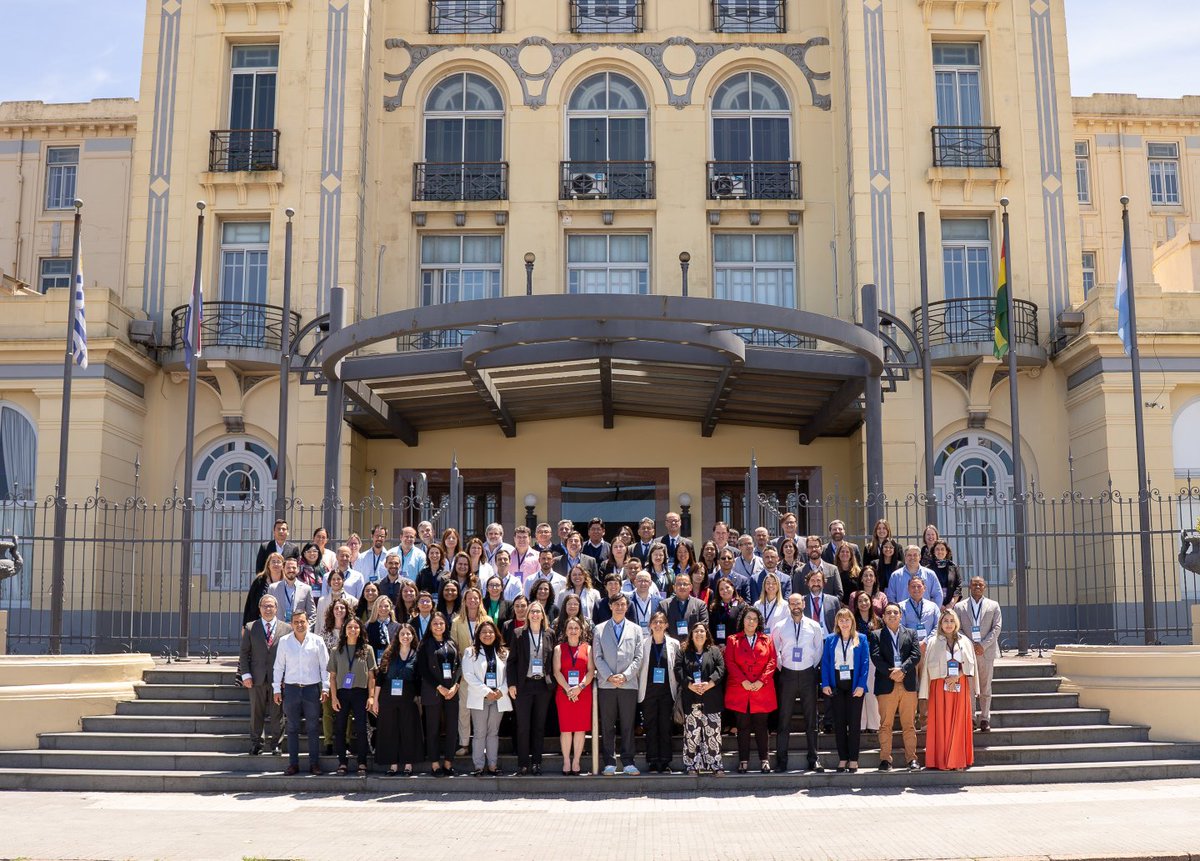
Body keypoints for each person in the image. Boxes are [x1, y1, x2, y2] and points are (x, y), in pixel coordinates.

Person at [272, 610, 330, 775]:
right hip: (291, 689)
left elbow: (324, 667)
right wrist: (276, 688)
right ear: (291, 624)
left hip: (312, 689)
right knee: (292, 727)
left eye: (302, 621)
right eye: (296, 622)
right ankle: (293, 764)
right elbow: (279, 666)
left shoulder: (317, 641)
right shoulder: (284, 641)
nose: (299, 625)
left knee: (313, 727)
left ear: (308, 622)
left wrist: (325, 688)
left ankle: (314, 764)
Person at [771, 593, 824, 772]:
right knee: (784, 719)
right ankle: (781, 761)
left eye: (798, 603)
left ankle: (814, 758)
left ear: (803, 604)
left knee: (811, 719)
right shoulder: (779, 626)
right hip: (787, 675)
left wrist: (810, 666)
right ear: (788, 605)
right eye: (792, 603)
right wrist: (783, 667)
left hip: (808, 674)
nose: (795, 606)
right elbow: (774, 649)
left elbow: (819, 650)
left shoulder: (814, 626)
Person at [593, 592, 644, 775]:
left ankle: (628, 761)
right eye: (617, 604)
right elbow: (597, 657)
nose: (620, 607)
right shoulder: (599, 629)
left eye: (623, 604)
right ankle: (609, 762)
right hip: (607, 685)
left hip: (628, 684)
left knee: (628, 724)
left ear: (627, 606)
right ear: (610, 606)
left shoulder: (636, 629)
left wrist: (625, 676)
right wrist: (609, 676)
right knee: (607, 725)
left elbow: (639, 657)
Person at [920, 609, 976, 770]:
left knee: (959, 722)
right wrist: (945, 676)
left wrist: (957, 676)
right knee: (940, 722)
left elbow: (970, 664)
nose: (949, 624)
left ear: (956, 622)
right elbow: (929, 667)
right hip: (940, 686)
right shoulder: (933, 641)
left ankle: (957, 760)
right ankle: (941, 760)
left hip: (960, 684)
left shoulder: (964, 641)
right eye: (945, 621)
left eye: (952, 621)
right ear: (940, 623)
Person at [724, 606, 777, 773]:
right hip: (741, 690)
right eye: (748, 618)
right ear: (743, 620)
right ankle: (743, 761)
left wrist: (762, 680)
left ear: (759, 621)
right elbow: (730, 662)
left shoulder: (766, 639)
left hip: (761, 689)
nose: (751, 621)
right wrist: (743, 681)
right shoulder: (733, 639)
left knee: (762, 726)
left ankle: (764, 760)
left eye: (754, 619)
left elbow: (772, 661)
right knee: (743, 726)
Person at [870, 602, 922, 771]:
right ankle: (885, 759)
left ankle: (911, 759)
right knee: (886, 725)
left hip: (907, 685)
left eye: (895, 612)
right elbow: (876, 658)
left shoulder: (911, 633)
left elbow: (916, 655)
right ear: (883, 617)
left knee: (909, 725)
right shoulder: (876, 635)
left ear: (900, 616)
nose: (892, 615)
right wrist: (892, 672)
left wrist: (903, 670)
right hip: (887, 684)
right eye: (888, 613)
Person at [506, 601, 556, 775]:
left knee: (539, 726)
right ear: (527, 614)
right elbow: (511, 662)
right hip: (524, 685)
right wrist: (511, 684)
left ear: (543, 614)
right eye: (532, 611)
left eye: (538, 611)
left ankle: (536, 762)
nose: (535, 614)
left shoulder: (550, 634)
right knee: (523, 726)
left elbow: (552, 661)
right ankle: (523, 763)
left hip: (543, 686)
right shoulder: (518, 634)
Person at [238, 594, 288, 756]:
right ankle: (257, 743)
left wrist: (286, 677)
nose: (268, 609)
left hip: (278, 679)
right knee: (256, 713)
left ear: (276, 608)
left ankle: (276, 745)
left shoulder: (286, 629)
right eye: (264, 606)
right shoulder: (251, 627)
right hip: (256, 678)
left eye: (271, 606)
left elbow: (290, 655)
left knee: (277, 713)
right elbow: (244, 653)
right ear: (259, 609)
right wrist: (245, 675)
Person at [821, 608, 870, 772]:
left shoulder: (861, 639)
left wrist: (861, 685)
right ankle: (843, 758)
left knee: (854, 723)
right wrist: (825, 683)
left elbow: (864, 664)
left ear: (852, 622)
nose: (844, 623)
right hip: (836, 684)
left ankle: (854, 759)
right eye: (841, 620)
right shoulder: (830, 639)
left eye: (847, 620)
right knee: (840, 724)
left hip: (854, 683)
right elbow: (826, 663)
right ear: (837, 623)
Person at [327, 616, 377, 775]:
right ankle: (342, 762)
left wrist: (371, 696)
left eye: (356, 627)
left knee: (361, 728)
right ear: (345, 630)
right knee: (340, 728)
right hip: (342, 693)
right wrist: (334, 697)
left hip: (360, 692)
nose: (353, 630)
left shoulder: (367, 649)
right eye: (349, 627)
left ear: (360, 630)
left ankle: (362, 762)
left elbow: (371, 676)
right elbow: (333, 677)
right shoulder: (336, 650)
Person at [462, 619, 511, 775]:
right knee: (479, 732)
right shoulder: (471, 652)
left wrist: (501, 691)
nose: (487, 635)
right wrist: (486, 691)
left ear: (496, 634)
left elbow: (509, 676)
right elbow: (468, 675)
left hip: (498, 697)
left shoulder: (503, 652)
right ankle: (478, 765)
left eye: (490, 632)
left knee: (493, 732)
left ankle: (492, 765)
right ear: (478, 635)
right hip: (480, 698)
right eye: (484, 632)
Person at [676, 622, 726, 775]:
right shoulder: (683, 651)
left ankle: (715, 765)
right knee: (692, 734)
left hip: (711, 699)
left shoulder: (714, 651)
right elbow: (678, 669)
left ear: (707, 634)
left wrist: (710, 683)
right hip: (691, 699)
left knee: (713, 734)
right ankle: (691, 765)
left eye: (702, 631)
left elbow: (721, 668)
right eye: (696, 631)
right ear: (691, 634)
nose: (699, 634)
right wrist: (690, 685)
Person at [953, 575, 1002, 731]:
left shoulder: (993, 605)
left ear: (985, 587)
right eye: (974, 584)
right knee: (969, 687)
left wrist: (983, 645)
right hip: (967, 652)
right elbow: (957, 628)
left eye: (981, 585)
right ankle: (971, 716)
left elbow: (996, 628)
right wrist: (970, 645)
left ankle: (985, 717)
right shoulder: (960, 607)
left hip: (986, 652)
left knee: (986, 686)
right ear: (970, 586)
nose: (978, 587)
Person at [417, 611, 461, 776]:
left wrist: (456, 685)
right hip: (433, 691)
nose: (438, 626)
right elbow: (423, 670)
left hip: (451, 691)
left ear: (446, 625)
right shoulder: (425, 644)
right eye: (435, 624)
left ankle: (448, 764)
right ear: (430, 626)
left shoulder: (452, 643)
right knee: (433, 729)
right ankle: (435, 764)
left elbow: (459, 667)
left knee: (451, 728)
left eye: (441, 623)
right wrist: (439, 687)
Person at [637, 610, 680, 774]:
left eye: (661, 622)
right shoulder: (643, 644)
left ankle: (665, 761)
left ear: (666, 625)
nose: (658, 625)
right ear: (650, 625)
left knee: (665, 727)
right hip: (648, 692)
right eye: (655, 622)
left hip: (667, 692)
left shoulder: (674, 644)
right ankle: (653, 761)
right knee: (651, 727)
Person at [450, 586, 489, 754]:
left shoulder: (487, 620)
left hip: (484, 672)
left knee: (482, 709)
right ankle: (464, 743)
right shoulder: (456, 622)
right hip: (465, 673)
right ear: (464, 601)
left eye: (476, 598)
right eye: (469, 598)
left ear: (480, 601)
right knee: (464, 709)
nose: (473, 601)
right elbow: (454, 646)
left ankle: (483, 743)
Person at [554, 616, 594, 775]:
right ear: (565, 631)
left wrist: (580, 687)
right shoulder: (559, 649)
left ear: (581, 630)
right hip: (564, 693)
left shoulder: (588, 648)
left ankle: (576, 761)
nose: (573, 631)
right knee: (565, 729)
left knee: (580, 729)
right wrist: (569, 689)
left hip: (583, 693)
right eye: (570, 628)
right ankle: (566, 761)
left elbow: (591, 671)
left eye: (576, 628)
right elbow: (556, 672)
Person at [317, 596, 353, 754]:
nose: (339, 610)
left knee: (348, 710)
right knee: (328, 710)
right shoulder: (325, 631)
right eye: (336, 608)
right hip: (328, 675)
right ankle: (329, 741)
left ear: (347, 611)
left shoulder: (352, 629)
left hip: (348, 676)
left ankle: (346, 741)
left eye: (342, 608)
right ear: (332, 611)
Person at [853, 590, 882, 732]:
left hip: (873, 660)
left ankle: (873, 724)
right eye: (860, 601)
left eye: (866, 600)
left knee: (871, 691)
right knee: (858, 691)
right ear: (856, 604)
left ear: (871, 602)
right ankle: (861, 724)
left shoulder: (878, 620)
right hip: (856, 659)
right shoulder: (852, 621)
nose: (863, 603)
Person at [660, 572, 709, 643]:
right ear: (674, 587)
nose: (682, 586)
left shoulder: (700, 605)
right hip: (671, 646)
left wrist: (690, 642)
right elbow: (661, 627)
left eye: (685, 584)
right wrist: (672, 642)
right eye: (679, 584)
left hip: (693, 645)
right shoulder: (664, 605)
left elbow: (704, 626)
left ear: (691, 587)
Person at [268, 558, 317, 626]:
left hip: (299, 631)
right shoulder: (273, 588)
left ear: (298, 569)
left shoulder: (306, 589)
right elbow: (268, 611)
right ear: (283, 568)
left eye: (294, 568)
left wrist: (306, 629)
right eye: (288, 568)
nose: (291, 570)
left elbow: (312, 613)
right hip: (278, 630)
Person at [242, 552, 285, 625]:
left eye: (278, 562)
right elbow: (249, 602)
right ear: (268, 565)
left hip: (281, 623)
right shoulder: (259, 581)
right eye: (273, 562)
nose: (276, 564)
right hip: (259, 622)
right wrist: (244, 624)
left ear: (283, 566)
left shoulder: (286, 582)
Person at [900, 576, 940, 649]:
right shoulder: (901, 607)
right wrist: (915, 643)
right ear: (908, 589)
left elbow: (938, 626)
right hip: (910, 647)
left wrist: (926, 641)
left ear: (924, 588)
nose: (916, 589)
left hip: (931, 646)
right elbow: (901, 628)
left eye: (919, 586)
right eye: (913, 586)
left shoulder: (933, 606)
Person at [315, 569, 357, 635]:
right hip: (326, 638)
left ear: (343, 581)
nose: (336, 581)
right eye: (333, 579)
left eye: (338, 579)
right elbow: (318, 623)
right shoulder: (322, 601)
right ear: (329, 581)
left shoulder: (352, 601)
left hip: (345, 637)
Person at [708, 576, 746, 649]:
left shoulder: (742, 606)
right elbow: (711, 629)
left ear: (733, 588)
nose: (725, 591)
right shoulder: (714, 607)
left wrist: (729, 645)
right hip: (718, 648)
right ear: (718, 592)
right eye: (721, 589)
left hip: (736, 647)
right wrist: (716, 646)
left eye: (727, 587)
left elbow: (743, 630)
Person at [801, 569, 840, 635]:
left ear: (823, 583)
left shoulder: (833, 601)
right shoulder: (802, 601)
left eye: (818, 580)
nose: (816, 584)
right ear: (808, 583)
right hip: (809, 640)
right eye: (812, 581)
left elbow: (839, 622)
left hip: (828, 640)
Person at [752, 571, 787, 636]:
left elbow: (786, 627)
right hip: (761, 641)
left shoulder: (785, 605)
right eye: (768, 583)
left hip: (777, 642)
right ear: (764, 586)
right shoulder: (757, 605)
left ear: (778, 586)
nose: (771, 585)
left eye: (774, 583)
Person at [929, 539, 962, 607]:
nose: (940, 551)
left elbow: (958, 586)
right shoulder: (928, 568)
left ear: (946, 551)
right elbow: (927, 589)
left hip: (951, 606)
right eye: (937, 549)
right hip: (934, 606)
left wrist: (951, 604)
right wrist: (938, 605)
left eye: (942, 549)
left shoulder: (953, 567)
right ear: (934, 552)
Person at [365, 596, 398, 663]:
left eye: (386, 606)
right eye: (380, 606)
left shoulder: (398, 627)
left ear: (390, 608)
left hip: (393, 663)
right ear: (376, 608)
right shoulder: (367, 626)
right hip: (373, 663)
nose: (383, 608)